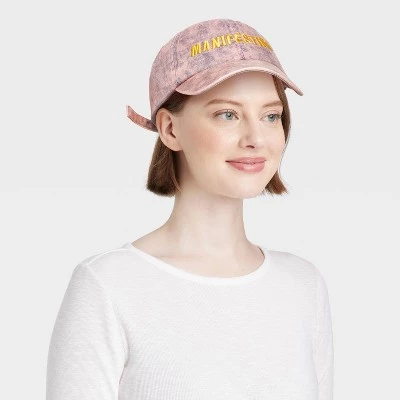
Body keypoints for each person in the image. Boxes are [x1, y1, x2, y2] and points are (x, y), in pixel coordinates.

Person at [46, 18, 334, 400]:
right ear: (170, 129)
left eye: (270, 116)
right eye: (227, 114)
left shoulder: (303, 286)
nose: (256, 138)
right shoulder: (108, 287)